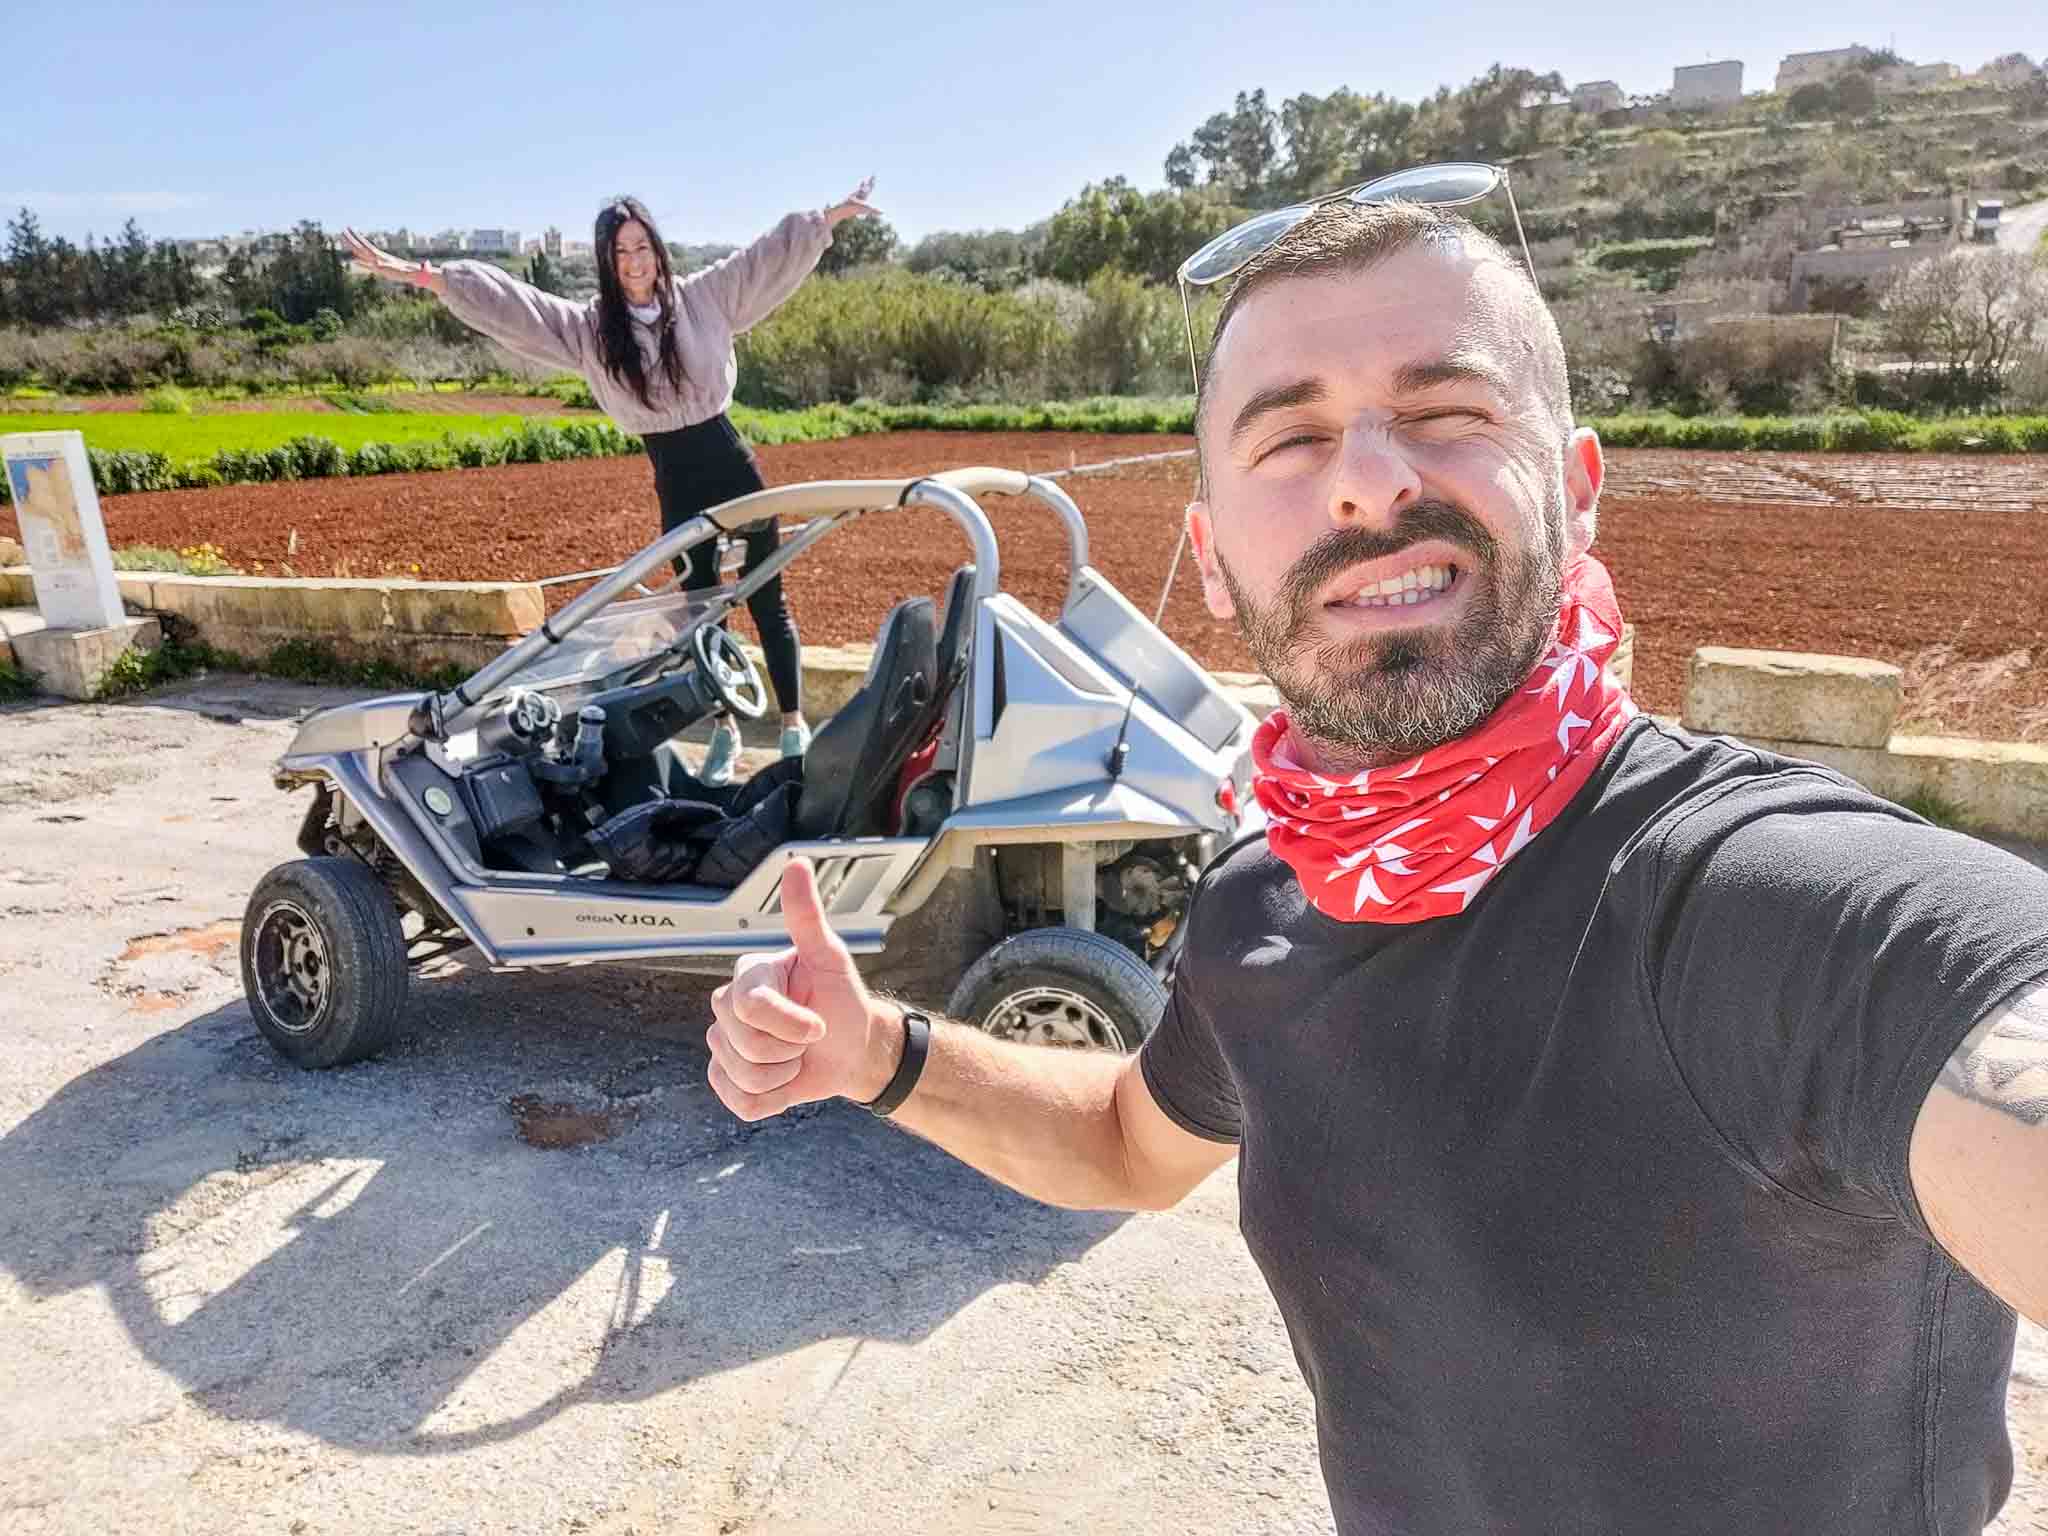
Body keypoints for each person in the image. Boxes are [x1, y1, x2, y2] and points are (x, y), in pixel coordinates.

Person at [704, 195, 2048, 1534]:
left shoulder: (1769, 908)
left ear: (1576, 493)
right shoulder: (1260, 911)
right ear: (1213, 562)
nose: (1370, 479)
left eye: (1447, 412)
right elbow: (1124, 1138)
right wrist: (876, 1053)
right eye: (1289, 435)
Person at [343, 180, 882, 783]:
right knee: (698, 610)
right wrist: (425, 275)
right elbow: (517, 306)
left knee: (767, 599)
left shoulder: (704, 299)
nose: (634, 263)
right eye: (620, 253)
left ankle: (792, 728)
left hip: (732, 464)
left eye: (641, 247)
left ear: (657, 248)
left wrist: (828, 216)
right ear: (607, 262)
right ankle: (725, 732)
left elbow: (764, 257)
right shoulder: (593, 331)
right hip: (674, 480)